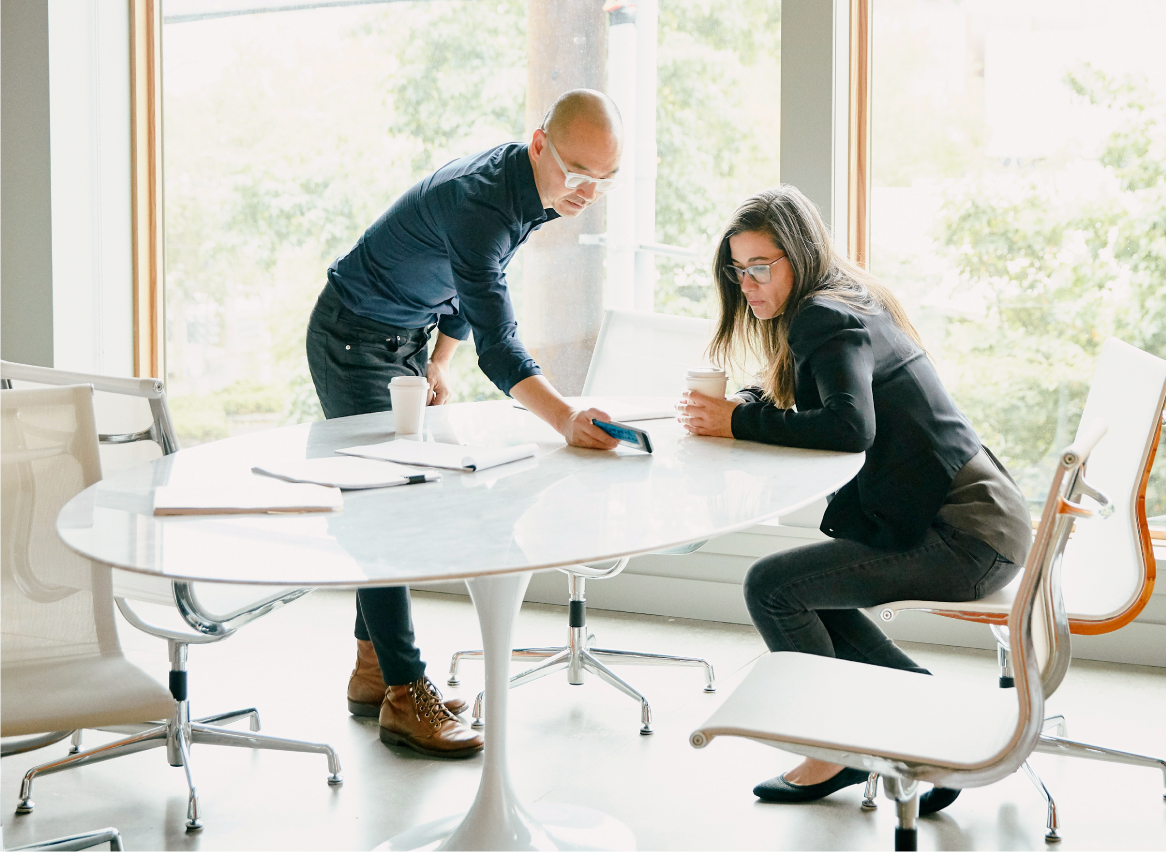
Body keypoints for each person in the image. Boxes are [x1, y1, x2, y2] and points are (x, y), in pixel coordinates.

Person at [679, 185, 1032, 814]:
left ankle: (836, 745)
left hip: (966, 537)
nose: (748, 284)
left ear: (799, 255)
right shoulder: (846, 298)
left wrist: (735, 422)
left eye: (762, 267)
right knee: (809, 591)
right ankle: (936, 727)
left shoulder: (823, 314)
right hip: (988, 520)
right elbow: (835, 399)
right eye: (739, 270)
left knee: (772, 586)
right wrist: (751, 407)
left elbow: (849, 427)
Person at [306, 89, 624, 759]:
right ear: (539, 142)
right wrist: (564, 415)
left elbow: (470, 281)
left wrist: (437, 361)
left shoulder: (532, 188)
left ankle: (371, 673)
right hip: (352, 338)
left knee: (388, 503)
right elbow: (500, 344)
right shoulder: (482, 201)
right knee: (385, 511)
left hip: (401, 340)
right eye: (576, 172)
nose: (587, 191)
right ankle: (403, 692)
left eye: (603, 179)